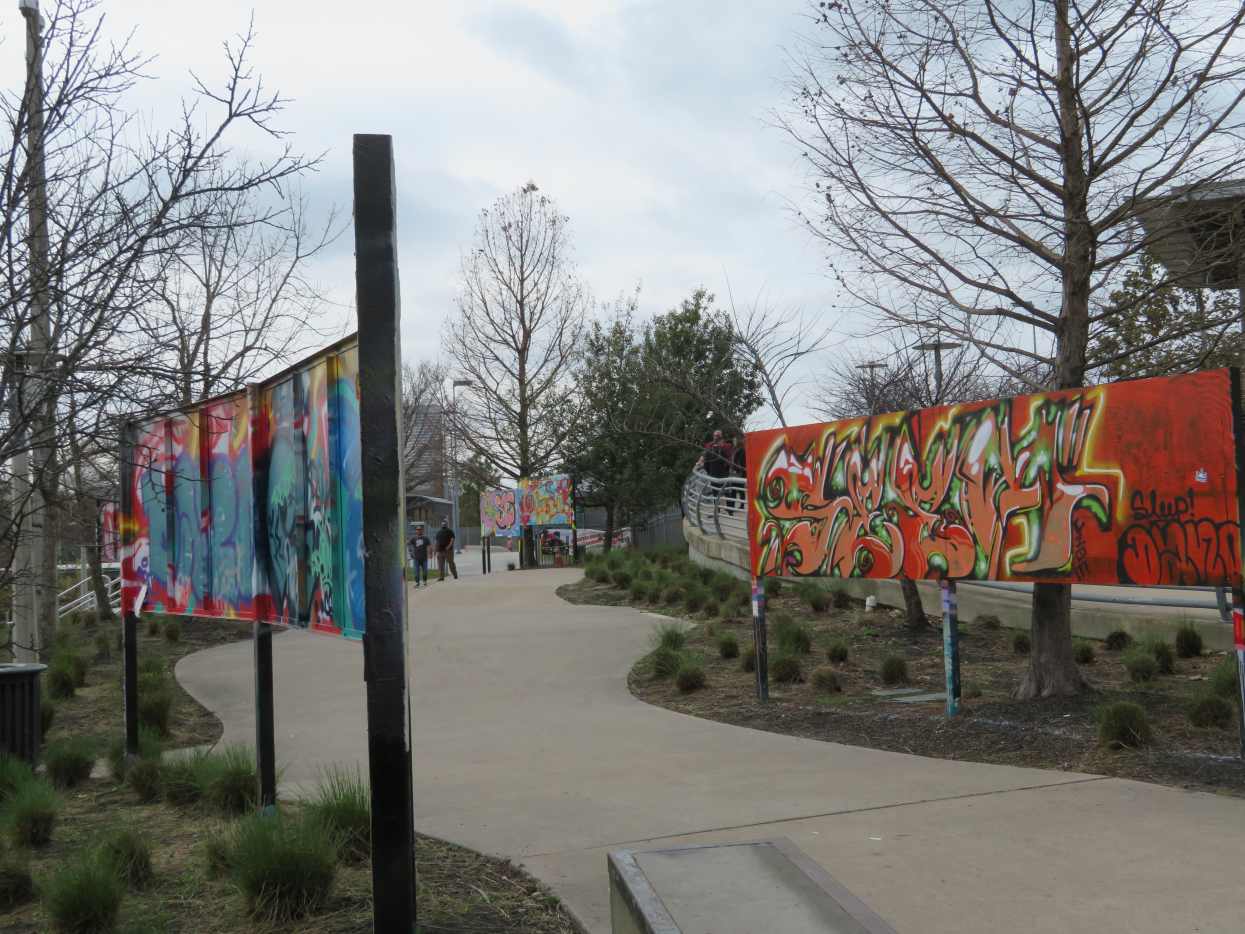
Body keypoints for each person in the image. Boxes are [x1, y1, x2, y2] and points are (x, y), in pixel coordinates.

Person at [409, 523, 431, 588]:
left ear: (422, 531)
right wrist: (410, 552)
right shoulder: (413, 538)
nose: (418, 531)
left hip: (424, 558)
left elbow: (429, 546)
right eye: (417, 530)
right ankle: (417, 583)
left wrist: (430, 553)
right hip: (416, 558)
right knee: (416, 571)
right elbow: (408, 543)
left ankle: (424, 581)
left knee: (425, 571)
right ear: (416, 531)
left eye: (420, 530)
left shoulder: (425, 538)